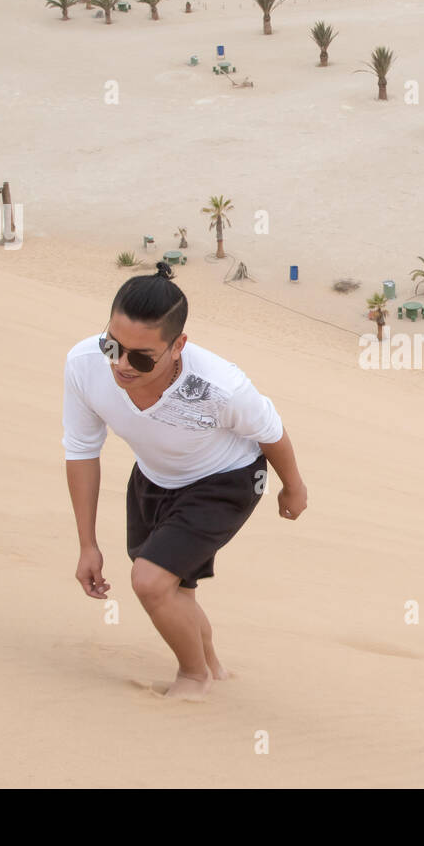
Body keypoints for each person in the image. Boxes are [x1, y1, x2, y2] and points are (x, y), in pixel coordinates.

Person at [62, 262, 307, 701]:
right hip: (155, 479)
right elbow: (81, 451)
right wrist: (87, 544)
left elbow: (271, 433)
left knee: (150, 581)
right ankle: (213, 665)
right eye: (112, 346)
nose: (122, 364)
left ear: (178, 346)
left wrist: (293, 487)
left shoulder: (220, 386)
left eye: (141, 356)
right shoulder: (84, 366)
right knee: (176, 590)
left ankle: (194, 678)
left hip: (227, 479)